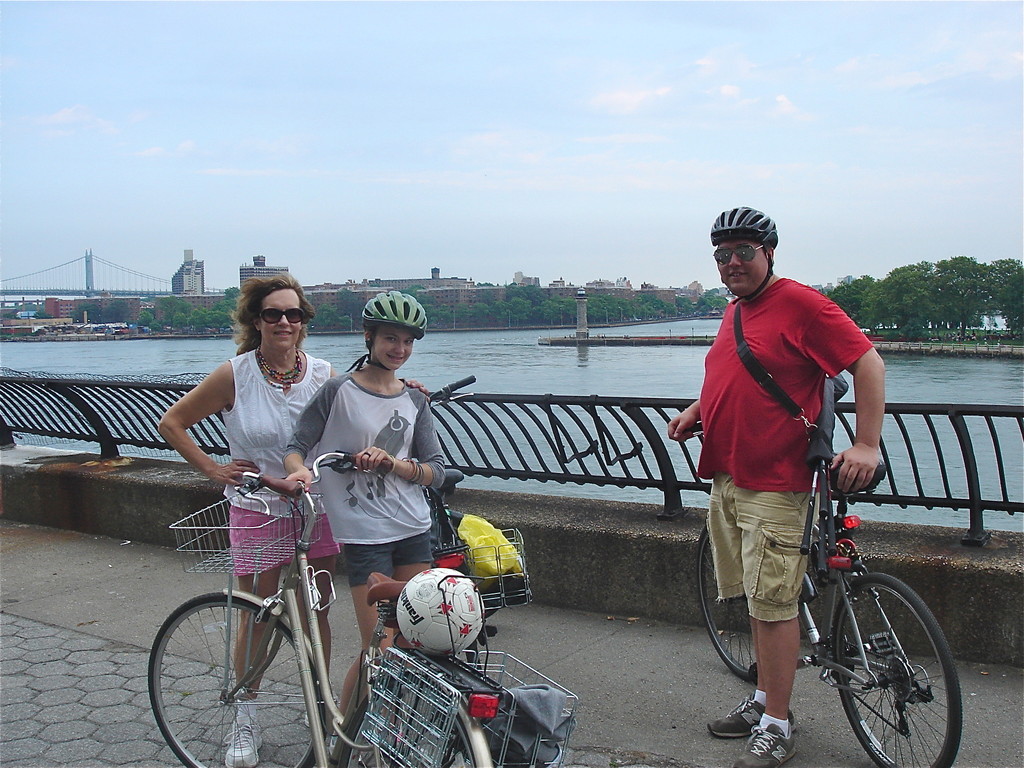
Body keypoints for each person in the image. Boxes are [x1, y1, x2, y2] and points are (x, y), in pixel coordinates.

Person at [668, 207, 885, 768]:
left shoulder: (801, 303)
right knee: (758, 602)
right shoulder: (735, 309)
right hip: (730, 474)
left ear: (769, 254)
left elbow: (867, 363)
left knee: (774, 604)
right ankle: (765, 698)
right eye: (722, 255)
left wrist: (865, 444)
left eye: (744, 252)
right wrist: (700, 408)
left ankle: (777, 723)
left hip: (777, 480)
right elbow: (737, 370)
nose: (732, 262)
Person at [158, 275, 341, 768]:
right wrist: (214, 469)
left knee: (317, 608)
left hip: (311, 509)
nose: (284, 322)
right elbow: (172, 423)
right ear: (255, 321)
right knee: (256, 612)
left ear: (304, 322)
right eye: (273, 314)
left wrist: (407, 390)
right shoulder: (234, 375)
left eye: (294, 314)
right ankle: (245, 711)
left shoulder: (323, 373)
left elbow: (364, 406)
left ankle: (320, 703)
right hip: (257, 508)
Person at [282, 290, 445, 711]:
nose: (400, 349)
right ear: (369, 337)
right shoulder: (338, 391)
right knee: (381, 647)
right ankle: (344, 742)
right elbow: (297, 444)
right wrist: (298, 470)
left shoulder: (415, 399)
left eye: (408, 341)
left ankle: (391, 733)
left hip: (414, 528)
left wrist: (394, 464)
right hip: (364, 533)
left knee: (418, 641)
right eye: (391, 338)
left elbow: (435, 470)